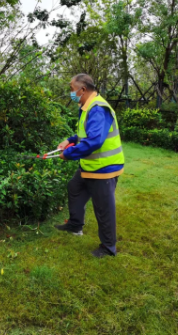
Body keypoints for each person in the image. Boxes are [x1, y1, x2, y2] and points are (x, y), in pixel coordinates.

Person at [55, 73, 124, 258]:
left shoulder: (98, 109)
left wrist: (68, 154)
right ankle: (75, 226)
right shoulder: (87, 106)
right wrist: (68, 141)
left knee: (103, 208)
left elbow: (94, 141)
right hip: (90, 165)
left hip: (104, 168)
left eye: (72, 89)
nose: (71, 93)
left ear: (82, 89)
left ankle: (108, 248)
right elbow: (84, 135)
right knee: (74, 188)